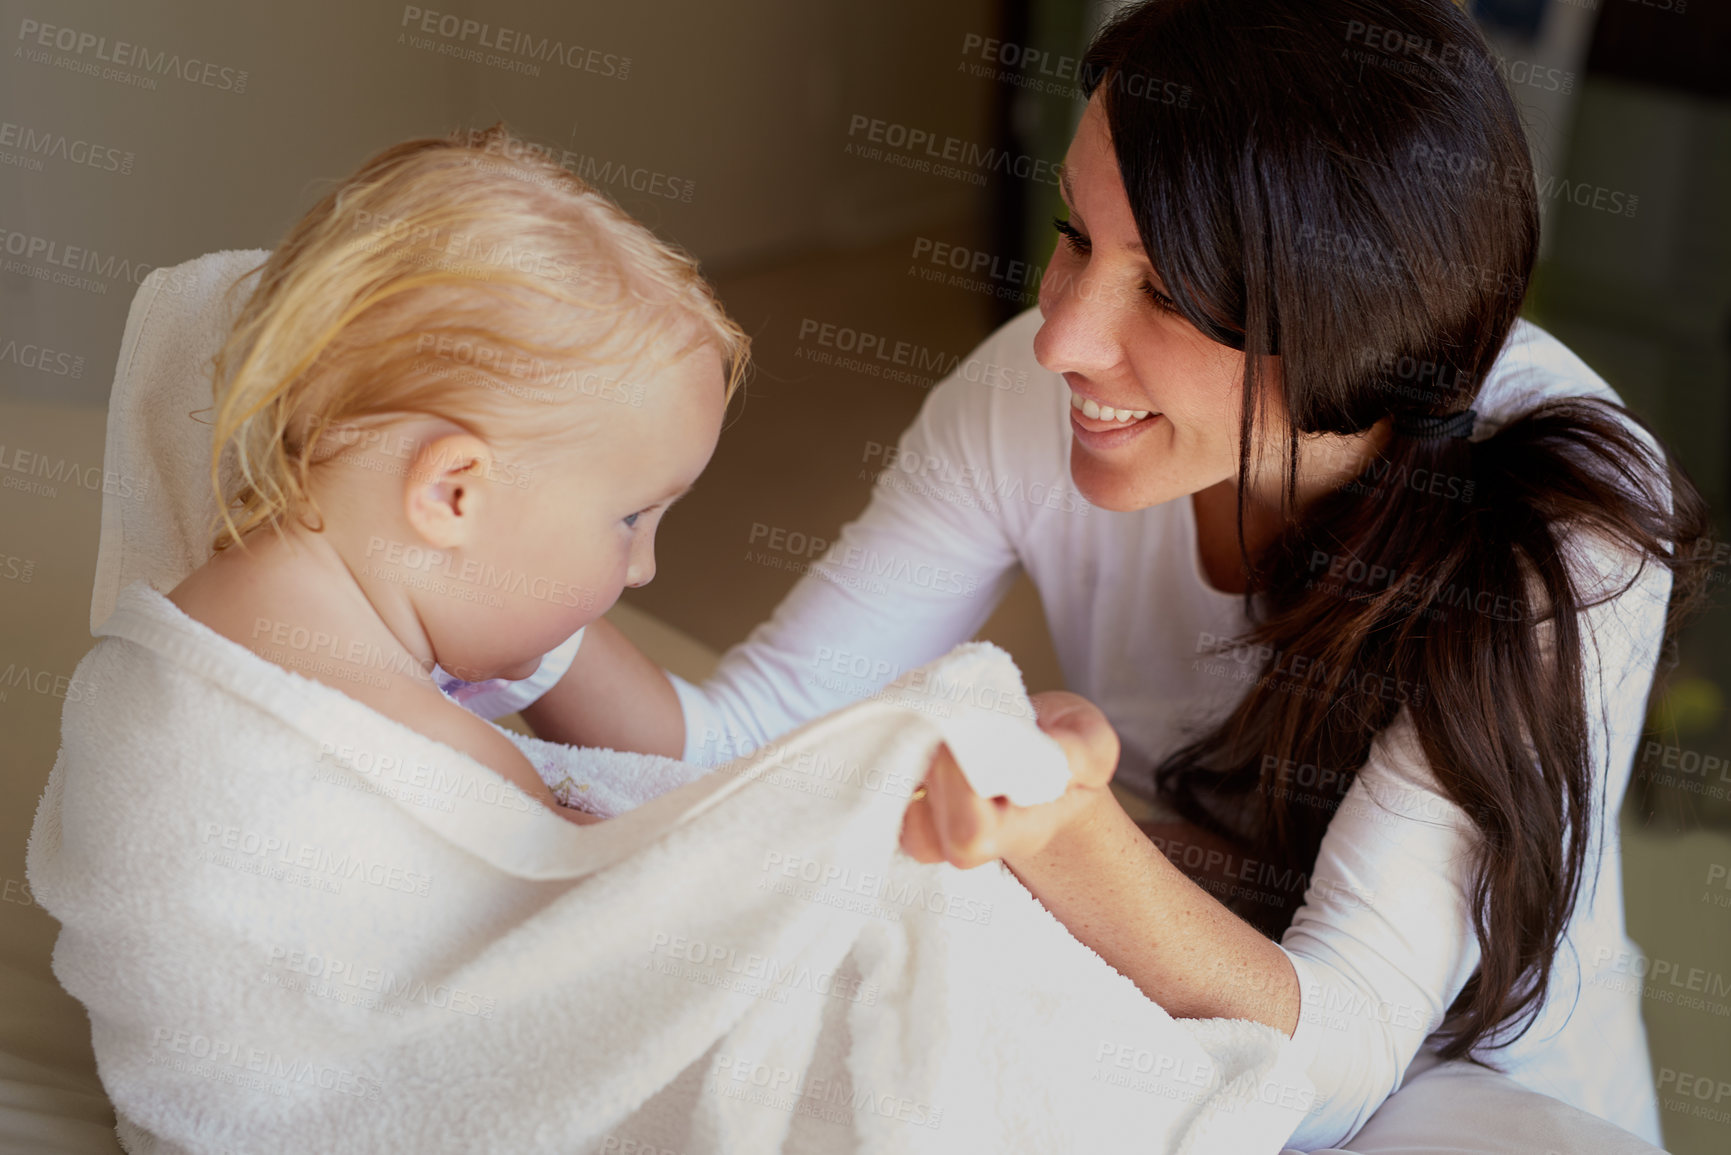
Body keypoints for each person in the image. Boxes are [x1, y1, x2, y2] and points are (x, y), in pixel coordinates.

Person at [494, 0, 1710, 1148]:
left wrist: (1067, 833)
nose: (1061, 337)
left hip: (1463, 1090)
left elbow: (1344, 1059)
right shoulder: (1040, 397)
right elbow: (747, 741)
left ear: (1358, 324)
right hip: (1163, 997)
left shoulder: (1568, 529)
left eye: (1169, 294)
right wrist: (489, 564)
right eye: (1076, 235)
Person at [164, 123, 748, 826]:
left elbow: (690, 752)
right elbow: (599, 902)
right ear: (452, 492)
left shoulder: (280, 580)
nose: (641, 569)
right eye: (630, 519)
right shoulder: (429, 754)